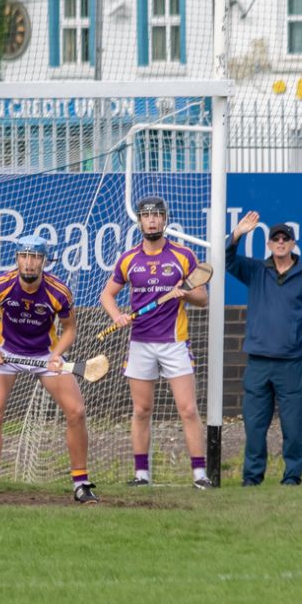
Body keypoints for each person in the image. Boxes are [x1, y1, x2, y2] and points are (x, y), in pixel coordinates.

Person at [99, 196, 212, 489]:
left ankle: (200, 475)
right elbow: (106, 295)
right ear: (139, 221)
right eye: (146, 215)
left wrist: (184, 293)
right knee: (141, 410)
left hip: (175, 341)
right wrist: (117, 317)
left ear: (164, 219)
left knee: (187, 409)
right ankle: (141, 475)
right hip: (141, 342)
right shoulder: (128, 259)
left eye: (157, 215)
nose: (151, 220)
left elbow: (203, 298)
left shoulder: (183, 256)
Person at [0, 236, 94, 505]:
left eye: (35, 257)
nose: (29, 263)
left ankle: (81, 483)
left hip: (44, 355)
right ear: (16, 259)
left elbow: (70, 329)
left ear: (44, 261)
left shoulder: (58, 292)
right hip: (7, 355)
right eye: (24, 257)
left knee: (76, 412)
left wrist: (56, 354)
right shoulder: (1, 284)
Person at [226, 212, 302, 486]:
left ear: (292, 244)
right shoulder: (256, 271)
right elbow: (228, 260)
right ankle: (252, 478)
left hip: (292, 363)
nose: (280, 243)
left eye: (285, 239)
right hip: (258, 363)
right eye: (275, 239)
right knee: (254, 427)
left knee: (292, 428)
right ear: (268, 244)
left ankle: (292, 478)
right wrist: (238, 234)